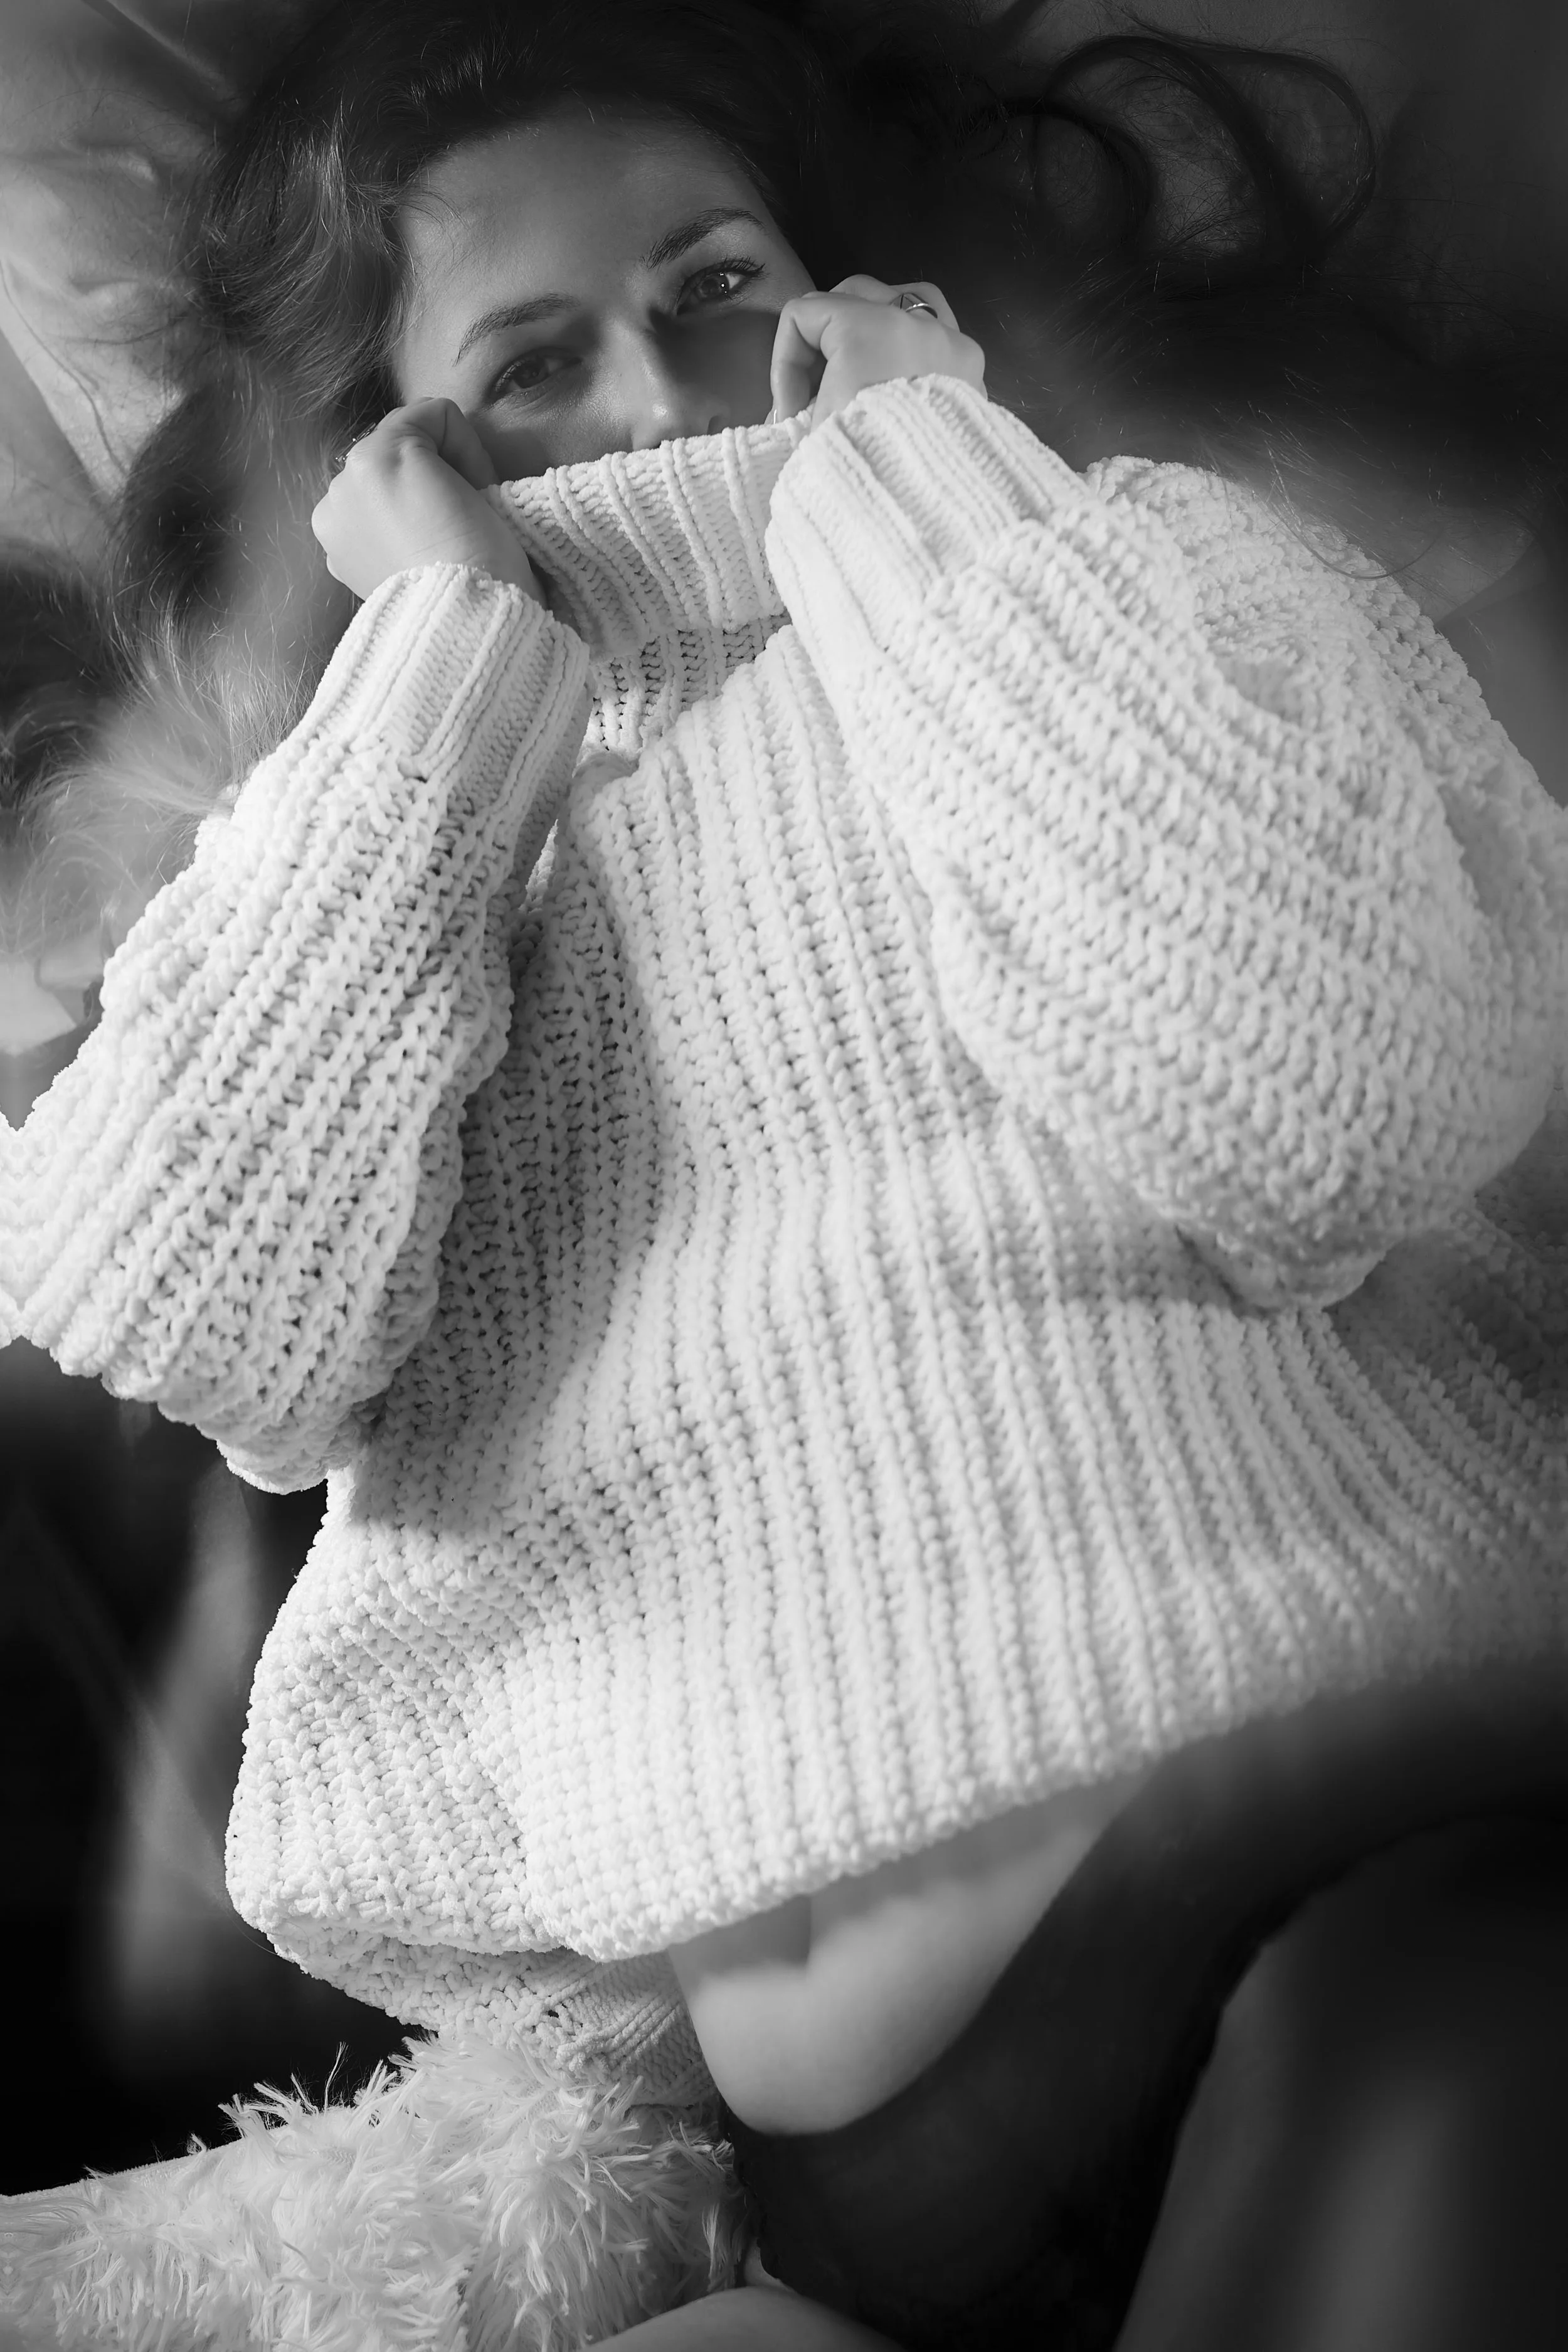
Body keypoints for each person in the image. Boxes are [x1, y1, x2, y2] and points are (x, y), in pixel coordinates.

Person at [8, 1, 1564, 2343]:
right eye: (531, 363)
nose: (656, 396)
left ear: (837, 291)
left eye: (715, 284)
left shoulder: (1132, 566)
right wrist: (442, 672)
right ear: (390, 453)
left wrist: (932, 491)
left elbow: (1328, 1097)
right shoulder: (378, 837)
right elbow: (187, 1307)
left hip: (1360, 1892)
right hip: (845, 2203)